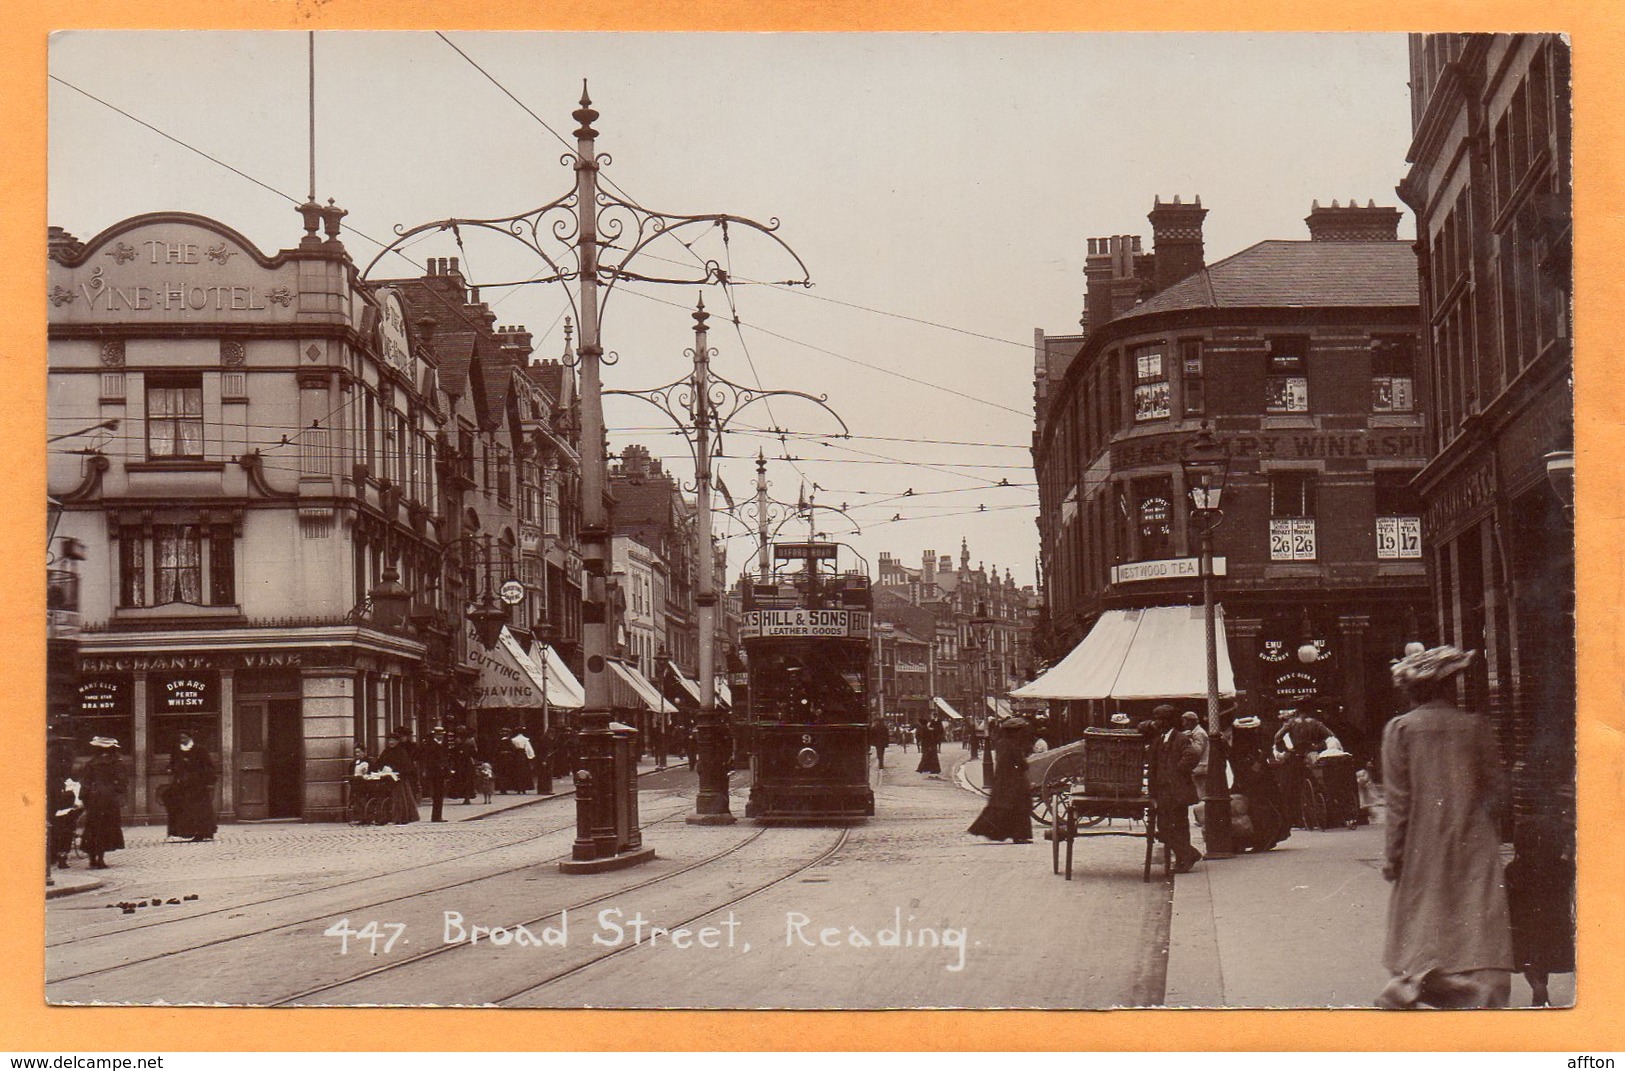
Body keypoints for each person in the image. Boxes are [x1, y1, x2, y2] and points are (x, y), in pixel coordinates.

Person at [1376, 645, 1513, 1010]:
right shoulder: (1475, 726)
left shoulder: (1400, 730)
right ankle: (1478, 994)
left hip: (1423, 844)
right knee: (1475, 917)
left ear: (1412, 691)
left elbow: (1398, 803)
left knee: (1425, 919)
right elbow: (1498, 792)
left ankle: (1419, 987)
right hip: (1475, 838)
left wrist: (1393, 856)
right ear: (1450, 687)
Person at [1505, 804, 1575, 1006]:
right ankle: (1540, 989)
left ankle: (1538, 988)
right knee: (1544, 960)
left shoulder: (1514, 870)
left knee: (1531, 963)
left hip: (1524, 928)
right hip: (1552, 928)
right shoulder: (1562, 870)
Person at [1142, 704, 1203, 874]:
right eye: (1157, 719)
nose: (1158, 723)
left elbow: (1192, 755)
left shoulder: (1180, 738)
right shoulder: (1160, 739)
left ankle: (1186, 858)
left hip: (1176, 791)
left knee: (1176, 826)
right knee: (1166, 826)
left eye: (1161, 720)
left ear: (1169, 721)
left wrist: (1177, 770)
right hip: (1164, 791)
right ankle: (1188, 855)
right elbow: (1142, 729)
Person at [1225, 715, 1291, 852]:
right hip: (1254, 777)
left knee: (1257, 809)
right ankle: (1264, 838)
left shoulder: (1243, 741)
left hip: (1252, 778)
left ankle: (1262, 838)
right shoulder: (1256, 739)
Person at [967, 717, 1033, 843]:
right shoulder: (1012, 745)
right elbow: (1021, 764)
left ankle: (1009, 834)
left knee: (1003, 806)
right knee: (1020, 806)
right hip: (1014, 781)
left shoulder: (1002, 743)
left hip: (1003, 780)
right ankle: (1019, 835)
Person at [1272, 705, 1333, 828]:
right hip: (1311, 755)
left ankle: (1296, 818)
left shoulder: (1292, 723)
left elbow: (1277, 737)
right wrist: (1318, 746)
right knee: (1316, 782)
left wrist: (1285, 749)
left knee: (1292, 787)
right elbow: (1330, 736)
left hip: (1296, 756)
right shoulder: (1315, 723)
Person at [80, 736, 126, 869]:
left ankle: (92, 859)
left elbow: (86, 782)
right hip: (109, 798)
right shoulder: (116, 763)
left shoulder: (91, 763)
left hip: (94, 797)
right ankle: (100, 858)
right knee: (106, 827)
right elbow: (122, 782)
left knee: (93, 827)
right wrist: (114, 789)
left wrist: (85, 796)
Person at [165, 732, 218, 841]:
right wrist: (171, 768)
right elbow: (172, 763)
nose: (182, 740)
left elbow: (208, 766)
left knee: (198, 810)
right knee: (182, 809)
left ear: (190, 738)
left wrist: (206, 780)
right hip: (181, 784)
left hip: (197, 785)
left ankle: (201, 833)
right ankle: (183, 833)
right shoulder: (177, 750)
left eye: (184, 737)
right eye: (181, 738)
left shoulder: (200, 750)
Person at [374, 729, 420, 824]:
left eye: (393, 740)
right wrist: (379, 769)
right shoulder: (386, 751)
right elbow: (379, 762)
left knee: (399, 796)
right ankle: (383, 815)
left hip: (399, 779)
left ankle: (401, 816)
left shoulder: (401, 752)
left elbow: (407, 766)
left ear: (397, 742)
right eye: (389, 740)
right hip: (386, 778)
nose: (391, 742)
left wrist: (397, 771)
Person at [421, 726, 450, 822]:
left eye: (441, 734)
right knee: (437, 794)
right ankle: (436, 816)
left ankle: (438, 816)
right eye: (438, 734)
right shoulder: (431, 745)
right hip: (434, 773)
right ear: (434, 735)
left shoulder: (442, 744)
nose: (440, 736)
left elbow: (445, 759)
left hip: (441, 773)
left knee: (439, 794)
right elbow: (429, 760)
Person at [1182, 711, 1209, 801]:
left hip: (1200, 767)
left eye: (1184, 721)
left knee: (1201, 793)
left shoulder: (1199, 733)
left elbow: (1197, 751)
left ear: (1190, 721)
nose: (1183, 724)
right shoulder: (1196, 732)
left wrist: (1188, 739)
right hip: (1199, 768)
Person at [509, 727, 536, 793]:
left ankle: (518, 788)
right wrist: (531, 756)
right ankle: (524, 788)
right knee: (524, 772)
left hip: (516, 756)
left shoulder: (513, 740)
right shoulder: (525, 740)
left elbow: (512, 748)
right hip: (523, 756)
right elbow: (528, 748)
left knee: (517, 772)